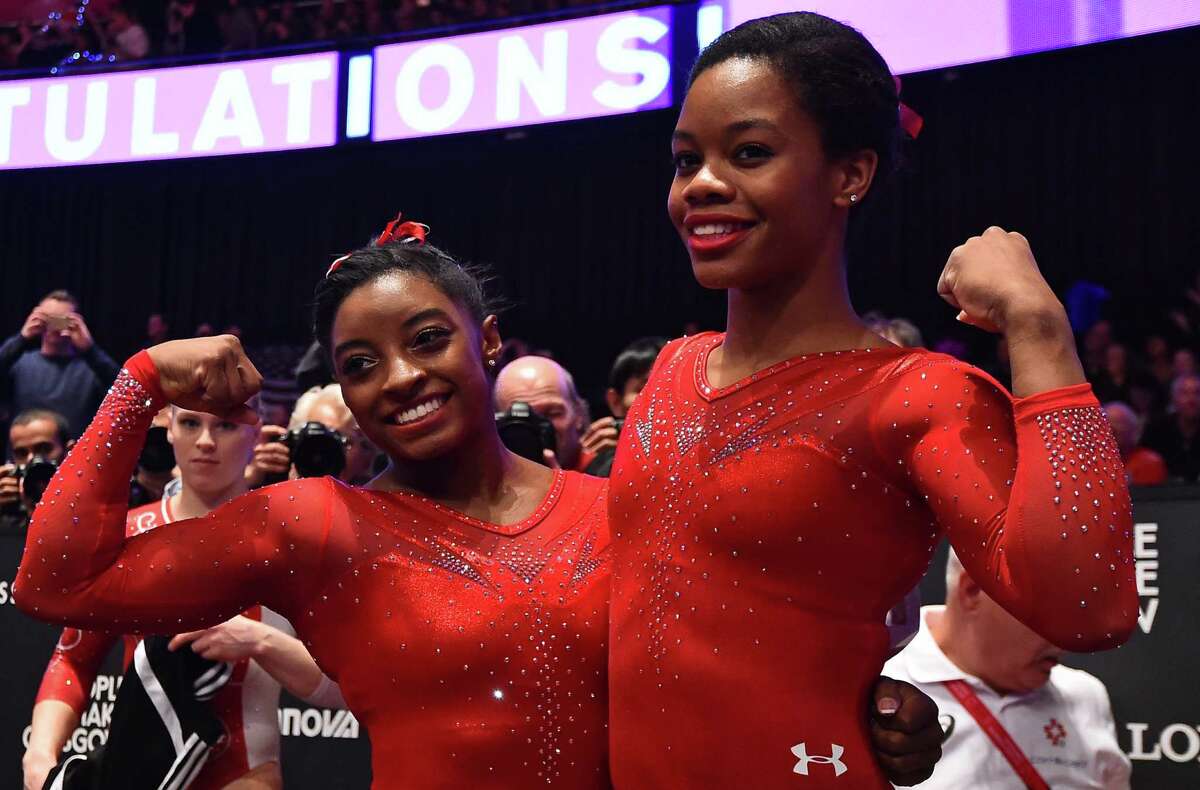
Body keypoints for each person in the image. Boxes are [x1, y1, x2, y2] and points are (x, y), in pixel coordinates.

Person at [17, 222, 944, 787]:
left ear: (486, 339)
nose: (400, 380)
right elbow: (62, 581)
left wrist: (858, 717)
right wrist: (136, 383)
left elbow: (739, 670)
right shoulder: (310, 527)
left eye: (427, 340)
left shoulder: (625, 508)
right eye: (359, 366)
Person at [606, 12, 1137, 789]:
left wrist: (1040, 331)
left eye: (749, 153)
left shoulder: (920, 396)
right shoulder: (672, 370)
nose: (704, 185)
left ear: (851, 174)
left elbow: (1089, 606)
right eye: (687, 160)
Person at [22, 401, 341, 790]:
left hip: (245, 778)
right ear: (169, 429)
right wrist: (38, 755)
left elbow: (342, 689)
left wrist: (259, 640)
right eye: (190, 423)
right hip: (138, 774)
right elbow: (72, 659)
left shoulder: (293, 544)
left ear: (257, 433)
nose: (205, 441)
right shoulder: (127, 535)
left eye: (225, 425)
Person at [883, 551, 1131, 789]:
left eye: (1076, 618)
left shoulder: (1086, 696)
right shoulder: (880, 695)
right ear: (972, 591)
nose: (1067, 640)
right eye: (1051, 616)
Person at [0, 290, 120, 438]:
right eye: (47, 319)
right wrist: (22, 338)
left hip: (76, 456)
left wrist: (90, 349)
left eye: (61, 320)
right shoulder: (20, 364)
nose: (54, 327)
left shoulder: (90, 369)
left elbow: (122, 388)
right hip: (24, 454)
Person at [246, 383, 380, 486]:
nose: (323, 450)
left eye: (338, 439)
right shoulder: (267, 500)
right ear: (293, 441)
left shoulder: (375, 509)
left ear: (366, 458)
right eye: (316, 435)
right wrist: (249, 481)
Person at [494, 355, 598, 471]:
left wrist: (560, 485)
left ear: (579, 414)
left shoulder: (608, 477)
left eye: (552, 414)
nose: (536, 428)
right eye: (523, 419)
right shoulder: (485, 480)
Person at [582, 337, 667, 478]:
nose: (662, 399)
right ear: (615, 401)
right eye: (644, 388)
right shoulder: (602, 469)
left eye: (672, 388)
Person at [0, 409, 70, 532]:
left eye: (44, 449)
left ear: (69, 451)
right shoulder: (9, 511)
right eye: (21, 453)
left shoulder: (91, 501)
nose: (31, 459)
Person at [1141, 373, 1200, 481]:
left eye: (1197, 393)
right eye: (1184, 393)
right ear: (1173, 398)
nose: (1191, 400)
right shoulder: (1156, 429)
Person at [1103, 401, 1167, 486]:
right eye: (1106, 425)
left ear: (1134, 430)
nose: (1111, 432)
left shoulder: (1149, 463)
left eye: (1119, 424)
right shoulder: (1091, 464)